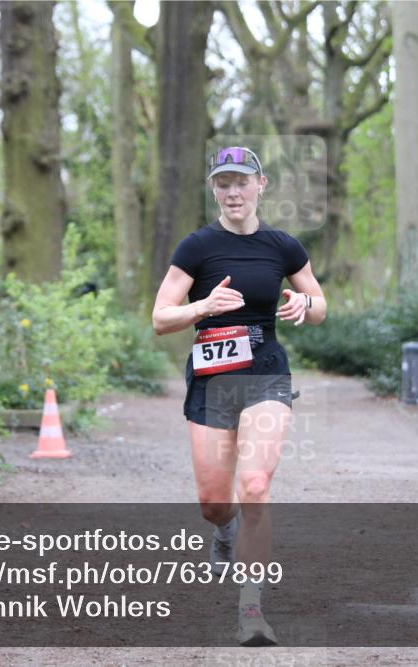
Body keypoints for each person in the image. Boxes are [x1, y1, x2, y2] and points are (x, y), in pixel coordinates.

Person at [152, 146, 327, 646]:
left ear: (261, 185)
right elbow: (160, 318)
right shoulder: (196, 248)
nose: (233, 191)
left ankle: (251, 611)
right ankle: (223, 532)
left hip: (266, 376)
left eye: (241, 182)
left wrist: (304, 303)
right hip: (211, 382)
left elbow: (319, 305)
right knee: (214, 503)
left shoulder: (283, 246)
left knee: (253, 485)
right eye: (223, 183)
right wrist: (202, 306)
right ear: (214, 190)